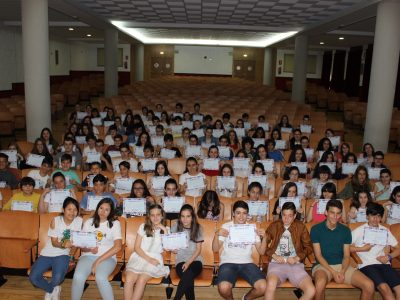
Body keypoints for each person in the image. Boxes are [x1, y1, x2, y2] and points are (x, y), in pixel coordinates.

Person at [310, 199, 375, 300]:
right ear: (326, 212)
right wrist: (333, 272)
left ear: (341, 214)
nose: (335, 217)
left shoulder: (345, 230)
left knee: (369, 285)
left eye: (338, 213)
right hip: (322, 266)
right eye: (332, 213)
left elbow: (346, 255)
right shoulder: (316, 229)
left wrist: (342, 271)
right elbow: (318, 255)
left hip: (342, 265)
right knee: (319, 285)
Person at [29, 197, 82, 300]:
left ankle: (52, 287)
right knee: (33, 277)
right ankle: (52, 289)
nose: (72, 212)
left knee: (57, 277)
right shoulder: (56, 220)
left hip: (63, 255)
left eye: (75, 210)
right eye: (69, 209)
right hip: (47, 253)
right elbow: (54, 242)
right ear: (63, 210)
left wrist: (71, 257)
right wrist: (63, 245)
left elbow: (77, 242)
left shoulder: (79, 221)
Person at [213, 200, 267, 300]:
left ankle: (246, 298)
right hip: (228, 262)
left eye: (244, 213)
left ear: (247, 215)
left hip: (247, 263)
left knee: (263, 287)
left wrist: (265, 238)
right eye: (238, 213)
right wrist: (217, 234)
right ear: (233, 214)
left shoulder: (252, 228)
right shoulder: (226, 226)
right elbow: (215, 249)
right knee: (223, 288)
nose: (241, 216)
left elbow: (261, 252)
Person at [71, 198, 122, 300]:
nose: (103, 212)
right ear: (97, 208)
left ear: (111, 212)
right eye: (101, 208)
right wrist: (89, 250)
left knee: (100, 277)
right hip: (87, 256)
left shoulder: (115, 224)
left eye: (106, 210)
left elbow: (118, 246)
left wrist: (98, 261)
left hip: (107, 258)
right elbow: (82, 247)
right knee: (78, 277)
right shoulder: (89, 222)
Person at [264, 202, 315, 300]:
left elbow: (309, 247)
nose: (286, 219)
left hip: (295, 264)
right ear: (281, 214)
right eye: (284, 215)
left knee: (311, 290)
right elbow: (263, 244)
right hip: (276, 264)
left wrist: (297, 257)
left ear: (295, 215)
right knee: (270, 285)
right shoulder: (275, 225)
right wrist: (274, 255)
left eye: (290, 216)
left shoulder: (301, 227)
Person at [351, 202, 400, 300]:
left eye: (378, 216)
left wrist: (388, 257)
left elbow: (398, 248)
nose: (375, 219)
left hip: (384, 264)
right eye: (373, 216)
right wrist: (362, 249)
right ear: (367, 216)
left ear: (381, 218)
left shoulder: (385, 230)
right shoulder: (359, 230)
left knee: (399, 289)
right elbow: (346, 247)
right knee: (385, 288)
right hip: (367, 265)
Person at [124, 204, 170, 300]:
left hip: (155, 258)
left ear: (162, 216)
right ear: (149, 216)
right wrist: (148, 259)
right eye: (152, 215)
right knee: (129, 279)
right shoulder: (143, 227)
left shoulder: (166, 230)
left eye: (158, 214)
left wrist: (164, 229)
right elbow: (136, 247)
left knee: (141, 280)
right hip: (139, 256)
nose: (155, 217)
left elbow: (167, 248)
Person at [171, 204, 204, 300]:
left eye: (188, 216)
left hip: (195, 260)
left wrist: (188, 262)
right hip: (180, 260)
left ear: (192, 217)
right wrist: (173, 249)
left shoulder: (198, 228)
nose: (185, 219)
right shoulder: (176, 226)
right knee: (188, 277)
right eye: (182, 216)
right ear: (180, 217)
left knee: (188, 275)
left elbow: (198, 250)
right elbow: (171, 244)